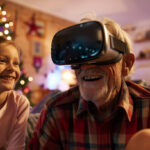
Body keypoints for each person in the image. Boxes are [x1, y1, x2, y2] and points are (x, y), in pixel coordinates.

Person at [28, 17, 150, 150]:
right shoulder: (56, 110)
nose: (86, 67)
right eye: (78, 57)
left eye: (100, 54)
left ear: (126, 64)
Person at [0, 41, 30, 150]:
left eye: (16, 63)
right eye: (2, 60)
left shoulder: (21, 104)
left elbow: (16, 147)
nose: (12, 68)